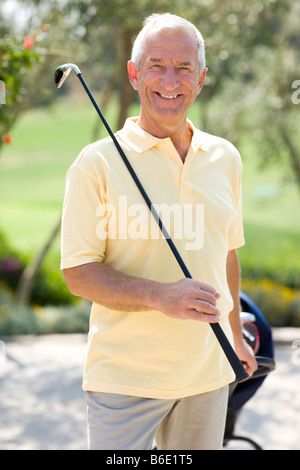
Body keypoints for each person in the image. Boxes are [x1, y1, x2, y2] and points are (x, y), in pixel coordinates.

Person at [60, 13, 257, 450]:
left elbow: (225, 252)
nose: (171, 80)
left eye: (184, 67)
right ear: (134, 74)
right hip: (124, 382)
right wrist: (159, 295)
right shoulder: (96, 163)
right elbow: (77, 272)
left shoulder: (225, 157)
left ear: (201, 78)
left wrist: (234, 329)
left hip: (207, 375)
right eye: (156, 65)